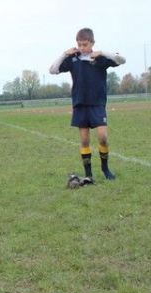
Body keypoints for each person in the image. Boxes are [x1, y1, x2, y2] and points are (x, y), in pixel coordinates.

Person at [49, 27, 125, 184]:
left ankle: (105, 169)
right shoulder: (73, 59)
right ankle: (88, 174)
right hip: (80, 105)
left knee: (103, 138)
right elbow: (52, 70)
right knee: (84, 141)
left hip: (97, 104)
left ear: (92, 43)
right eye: (79, 44)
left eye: (85, 44)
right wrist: (65, 54)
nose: (82, 47)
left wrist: (102, 52)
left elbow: (122, 59)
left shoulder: (100, 59)